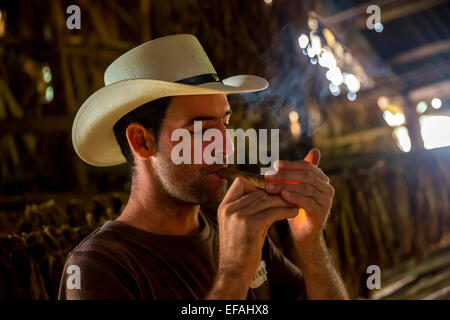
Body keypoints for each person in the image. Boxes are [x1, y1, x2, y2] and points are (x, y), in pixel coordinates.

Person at [58, 34, 348, 300]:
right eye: (200, 130)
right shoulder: (99, 269)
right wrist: (233, 273)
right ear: (142, 142)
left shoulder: (229, 224)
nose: (227, 146)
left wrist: (310, 243)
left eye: (225, 122)